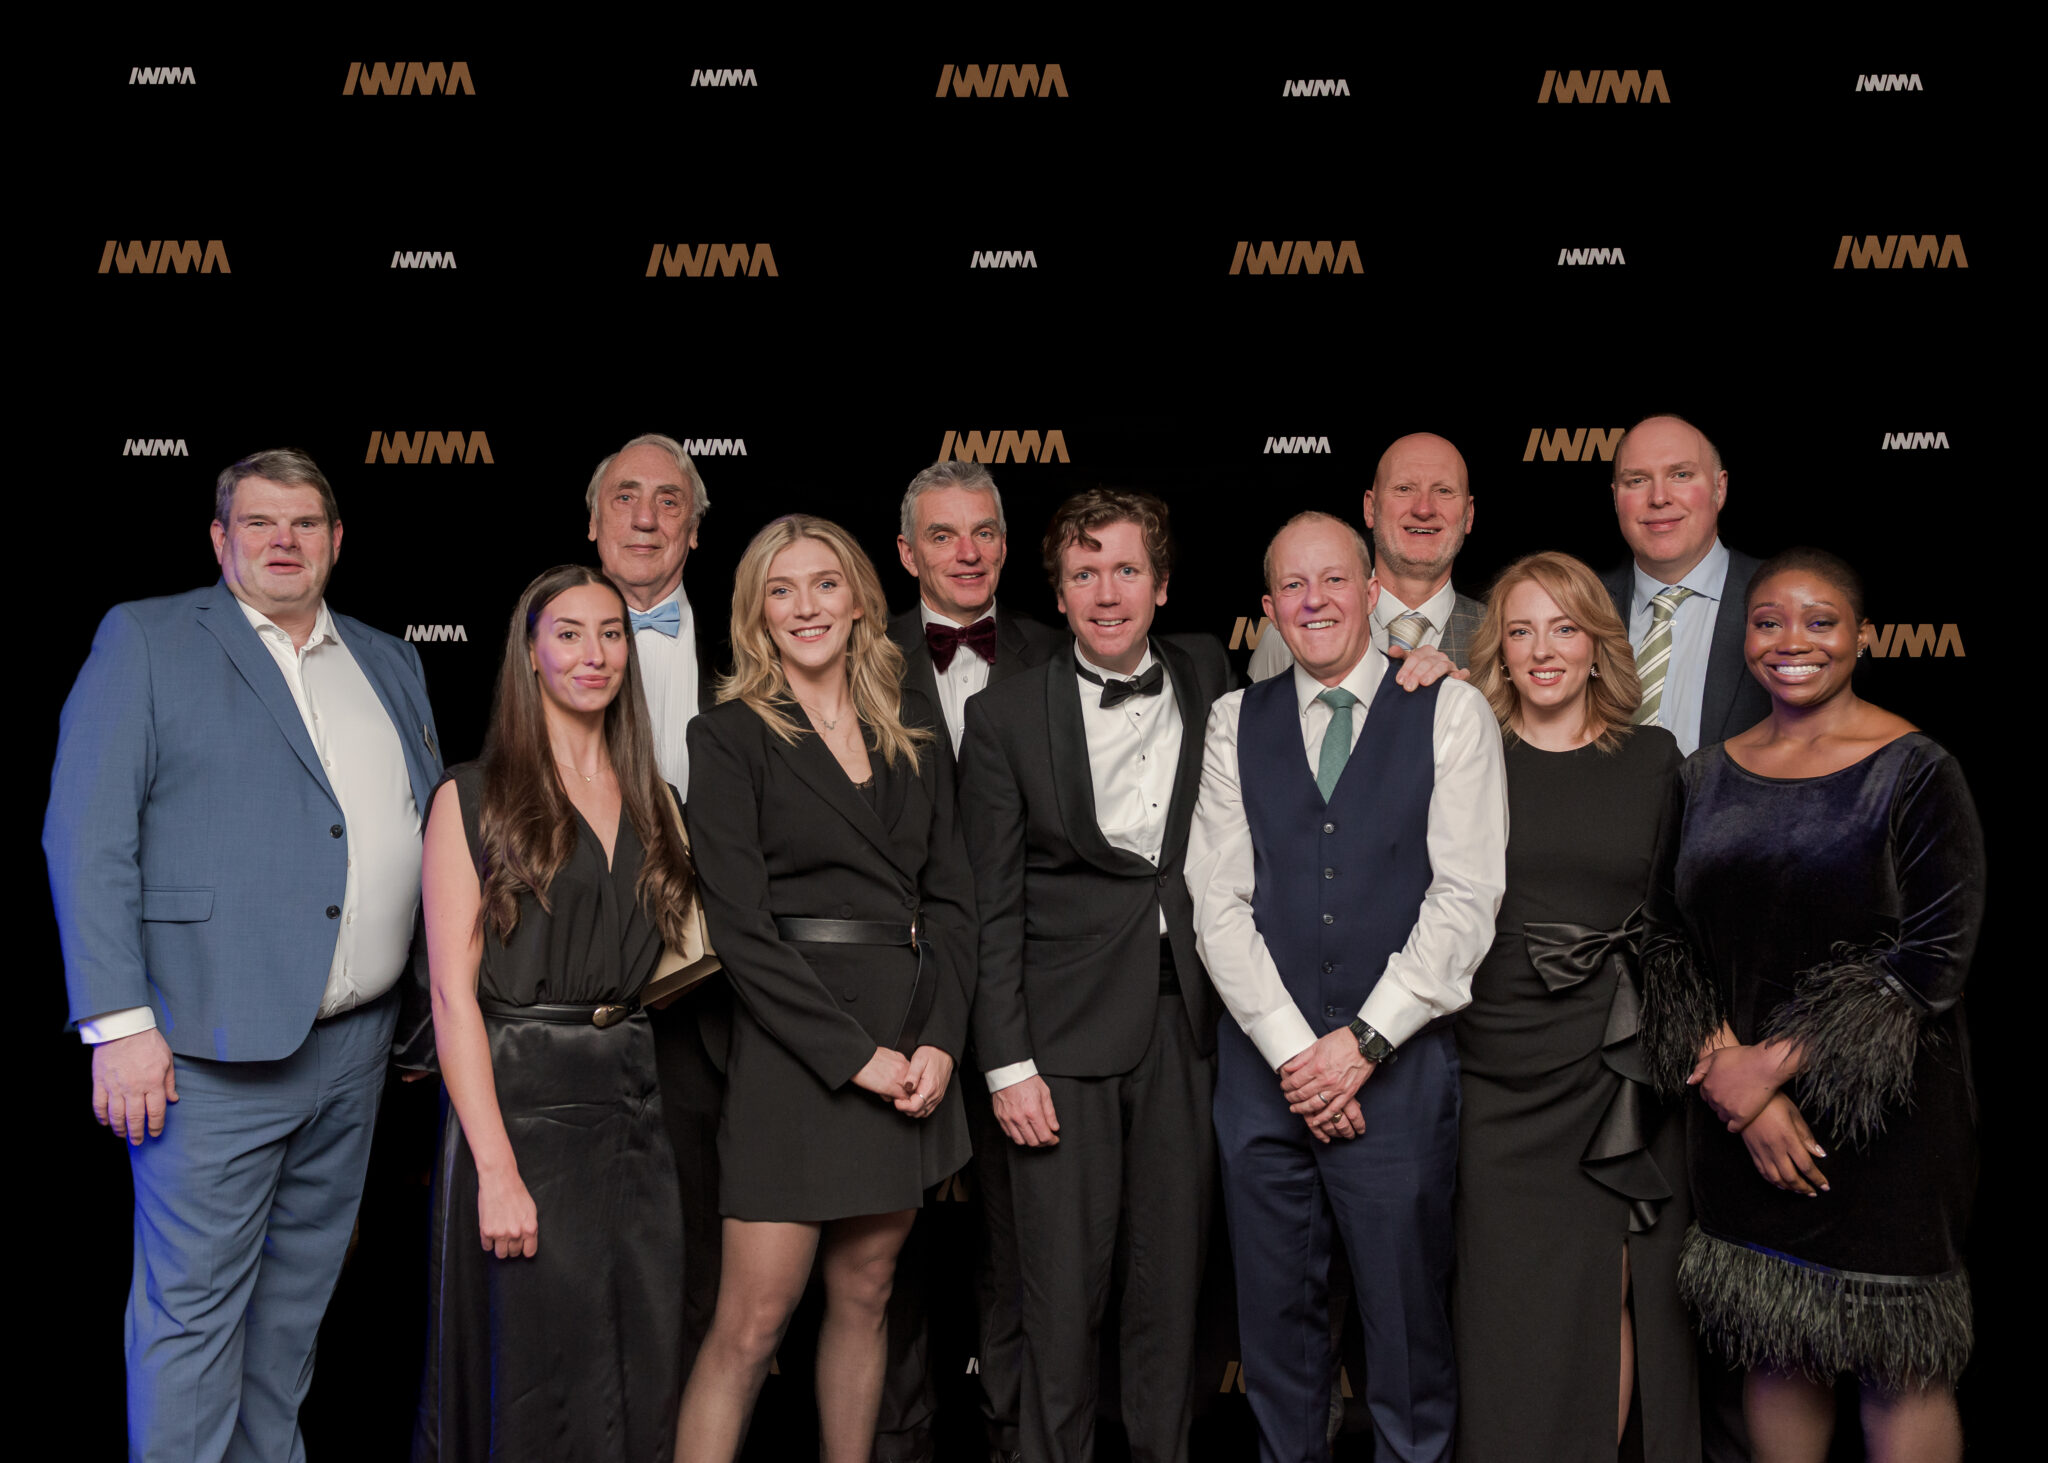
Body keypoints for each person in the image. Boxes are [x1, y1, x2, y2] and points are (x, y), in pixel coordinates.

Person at [44, 448, 443, 1461]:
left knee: (292, 1312)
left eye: (304, 523)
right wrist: (119, 1026)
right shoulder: (146, 639)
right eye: (259, 522)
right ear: (219, 538)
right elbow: (87, 838)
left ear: (336, 539)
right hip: (205, 1050)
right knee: (192, 1317)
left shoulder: (389, 659)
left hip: (354, 1050)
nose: (283, 541)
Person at [1642, 549, 1984, 1463]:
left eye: (1820, 621)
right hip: (1739, 1125)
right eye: (1768, 621)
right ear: (1745, 637)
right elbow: (1664, 938)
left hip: (1889, 1131)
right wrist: (1734, 1085)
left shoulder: (1915, 769)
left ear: (1861, 636)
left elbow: (1935, 957)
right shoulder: (1702, 776)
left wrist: (1769, 1067)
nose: (1792, 640)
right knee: (1778, 1347)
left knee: (1898, 1367)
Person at [1187, 510, 1506, 1463]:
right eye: (1293, 585)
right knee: (1275, 1338)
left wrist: (1363, 1042)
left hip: (1399, 1076)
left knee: (1406, 1334)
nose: (1314, 600)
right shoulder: (1234, 721)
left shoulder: (1450, 710)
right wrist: (1300, 1056)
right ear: (1269, 608)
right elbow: (1217, 905)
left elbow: (1466, 899)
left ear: (1372, 591)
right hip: (1266, 1082)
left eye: (1333, 580)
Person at [675, 516, 975, 1463]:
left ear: (858, 601)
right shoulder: (727, 736)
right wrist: (857, 1059)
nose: (806, 606)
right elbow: (741, 933)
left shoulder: (912, 730)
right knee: (752, 1321)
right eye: (782, 589)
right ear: (757, 613)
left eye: (825, 584)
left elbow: (954, 903)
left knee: (869, 1293)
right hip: (796, 1055)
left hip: (908, 1039)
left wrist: (938, 1040)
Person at [959, 489, 1233, 1463]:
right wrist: (1006, 1064)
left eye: (1125, 570)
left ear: (1161, 584)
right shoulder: (1002, 715)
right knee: (1060, 1294)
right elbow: (988, 905)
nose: (1106, 593)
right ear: (1058, 591)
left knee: (1170, 1286)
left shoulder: (1210, 670)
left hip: (1186, 1023)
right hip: (1058, 1038)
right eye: (1084, 573)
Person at [414, 565, 695, 1461]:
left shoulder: (657, 798)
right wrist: (495, 1170)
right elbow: (452, 998)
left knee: (636, 1356)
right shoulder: (472, 794)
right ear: (530, 654)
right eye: (568, 633)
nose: (594, 653)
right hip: (522, 1106)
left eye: (611, 633)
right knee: (534, 1370)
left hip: (634, 1104)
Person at [1450, 552, 1698, 1462]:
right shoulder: (1465, 750)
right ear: (1499, 649)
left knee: (1604, 1290)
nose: (1543, 649)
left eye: (1564, 628)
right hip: (1492, 1063)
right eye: (1521, 631)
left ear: (1599, 645)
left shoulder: (1655, 758)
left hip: (1609, 1063)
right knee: (1503, 1303)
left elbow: (1683, 923)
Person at [885, 459, 1063, 1463]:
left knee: (1019, 1238)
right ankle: (894, 1434)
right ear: (907, 552)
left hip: (1021, 995)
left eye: (984, 531)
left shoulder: (1058, 650)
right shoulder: (854, 654)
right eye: (943, 534)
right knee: (884, 1246)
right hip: (895, 994)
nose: (966, 552)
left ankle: (1013, 1432)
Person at [585, 433, 728, 1378]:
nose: (645, 517)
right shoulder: (533, 640)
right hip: (576, 996)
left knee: (705, 1246)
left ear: (695, 528)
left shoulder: (758, 641)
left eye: (669, 500)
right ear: (593, 524)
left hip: (720, 997)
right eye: (625, 497)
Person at [1249, 432, 1484, 680]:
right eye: (1404, 489)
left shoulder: (1500, 634)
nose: (1424, 509)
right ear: (1370, 508)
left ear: (1468, 515)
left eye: (1444, 491)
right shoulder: (1293, 631)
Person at [1601, 414, 1770, 757]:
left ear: (1719, 488)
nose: (1659, 497)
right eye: (1637, 480)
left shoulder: (1779, 599)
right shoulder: (1581, 605)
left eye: (1680, 475)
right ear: (1616, 497)